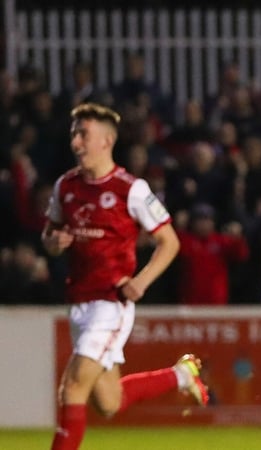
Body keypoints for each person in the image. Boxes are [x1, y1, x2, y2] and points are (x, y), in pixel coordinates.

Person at [41, 103, 209, 450]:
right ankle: (181, 375)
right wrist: (53, 243)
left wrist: (141, 281)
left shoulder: (131, 189)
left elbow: (169, 242)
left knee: (72, 387)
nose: (75, 142)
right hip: (79, 302)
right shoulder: (65, 186)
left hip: (110, 304)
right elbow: (49, 235)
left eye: (83, 134)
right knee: (108, 402)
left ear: (106, 141)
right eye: (74, 134)